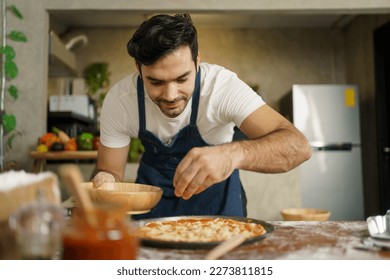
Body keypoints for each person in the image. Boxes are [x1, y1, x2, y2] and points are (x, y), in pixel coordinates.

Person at [91, 13, 311, 219]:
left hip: (218, 210)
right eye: (156, 82)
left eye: (182, 79)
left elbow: (298, 146)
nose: (170, 95)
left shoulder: (221, 88)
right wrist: (104, 180)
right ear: (138, 68)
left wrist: (231, 154)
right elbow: (110, 171)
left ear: (197, 62)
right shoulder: (120, 100)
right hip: (152, 211)